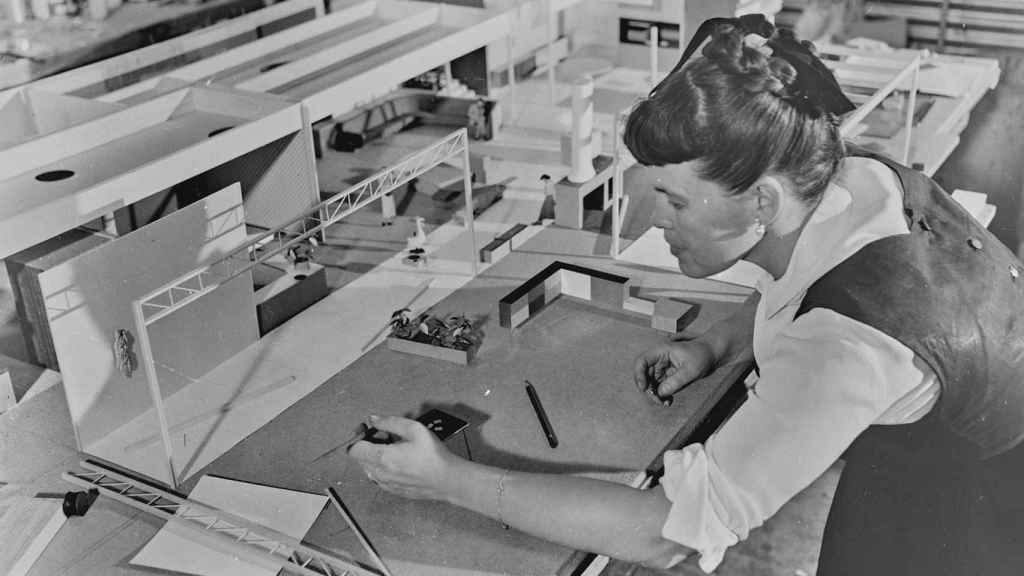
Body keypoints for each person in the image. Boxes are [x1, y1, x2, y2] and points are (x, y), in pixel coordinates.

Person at [349, 14, 1024, 575]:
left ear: (760, 199)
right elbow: (819, 275)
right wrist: (715, 343)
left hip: (983, 490)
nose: (658, 220)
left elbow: (667, 533)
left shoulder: (843, 350)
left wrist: (446, 479)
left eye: (674, 200)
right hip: (949, 403)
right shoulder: (842, 177)